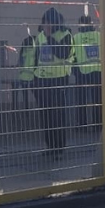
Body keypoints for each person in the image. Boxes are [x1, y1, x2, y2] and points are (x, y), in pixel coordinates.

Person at [33, 8, 74, 158]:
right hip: (42, 82)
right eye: (45, 22)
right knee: (45, 116)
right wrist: (33, 82)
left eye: (49, 22)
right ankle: (50, 146)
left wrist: (50, 37)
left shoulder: (66, 35)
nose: (46, 25)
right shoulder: (40, 37)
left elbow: (62, 54)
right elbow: (36, 58)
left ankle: (59, 148)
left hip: (58, 82)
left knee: (58, 116)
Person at [71, 15, 102, 128]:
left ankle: (82, 124)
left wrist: (74, 71)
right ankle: (97, 124)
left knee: (81, 100)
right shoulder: (99, 35)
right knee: (97, 100)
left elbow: (72, 55)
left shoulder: (76, 37)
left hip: (82, 71)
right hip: (98, 70)